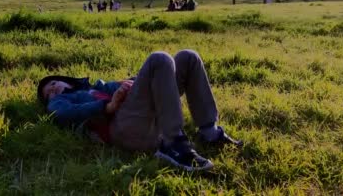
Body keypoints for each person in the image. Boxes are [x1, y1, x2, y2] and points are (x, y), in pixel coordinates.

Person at [37, 50, 242, 171]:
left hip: (139, 116)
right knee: (159, 59)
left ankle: (209, 131)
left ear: (64, 80)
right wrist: (107, 106)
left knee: (188, 57)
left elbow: (132, 87)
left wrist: (131, 84)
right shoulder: (59, 103)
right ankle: (173, 143)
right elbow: (64, 115)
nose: (53, 89)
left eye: (53, 83)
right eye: (49, 92)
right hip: (122, 128)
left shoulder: (95, 88)